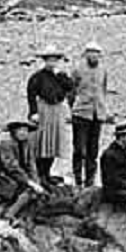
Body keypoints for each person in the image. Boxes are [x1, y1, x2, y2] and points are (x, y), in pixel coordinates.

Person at [26, 44, 75, 187]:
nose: (51, 63)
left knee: (54, 143)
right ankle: (40, 173)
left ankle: (47, 172)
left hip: (57, 110)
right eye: (49, 60)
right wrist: (33, 112)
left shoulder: (61, 76)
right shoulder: (37, 77)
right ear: (44, 61)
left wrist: (59, 74)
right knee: (42, 143)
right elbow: (31, 95)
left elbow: (70, 87)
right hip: (44, 110)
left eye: (54, 60)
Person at [70, 40, 110, 189]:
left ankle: (90, 181)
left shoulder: (103, 70)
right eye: (91, 53)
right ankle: (77, 180)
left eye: (97, 53)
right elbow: (71, 91)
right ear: (86, 54)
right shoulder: (77, 69)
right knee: (79, 149)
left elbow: (103, 90)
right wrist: (73, 108)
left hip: (97, 114)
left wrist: (103, 109)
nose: (94, 56)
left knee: (93, 151)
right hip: (81, 113)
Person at [0, 120, 45, 223]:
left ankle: (25, 215)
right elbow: (11, 167)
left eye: (26, 130)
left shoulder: (27, 144)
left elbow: (31, 165)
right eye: (20, 130)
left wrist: (36, 182)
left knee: (36, 192)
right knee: (28, 191)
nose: (23, 133)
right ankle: (10, 214)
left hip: (22, 177)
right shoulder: (6, 144)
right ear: (14, 131)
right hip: (6, 177)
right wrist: (30, 182)